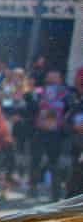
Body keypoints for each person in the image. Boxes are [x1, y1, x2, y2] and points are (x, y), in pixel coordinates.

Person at [28, 69, 73, 199]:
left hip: (56, 133)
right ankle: (33, 189)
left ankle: (55, 194)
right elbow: (31, 107)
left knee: (54, 163)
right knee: (35, 161)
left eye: (55, 77)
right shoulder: (39, 92)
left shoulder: (66, 93)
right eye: (50, 77)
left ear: (60, 79)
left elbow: (70, 110)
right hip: (39, 131)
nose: (52, 80)